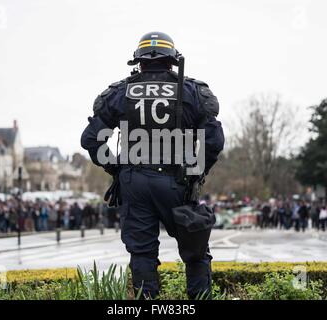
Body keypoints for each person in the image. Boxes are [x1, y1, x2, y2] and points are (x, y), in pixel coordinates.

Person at [81, 31, 224, 299]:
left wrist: (116, 168)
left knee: (142, 253)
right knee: (195, 251)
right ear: (172, 60)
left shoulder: (119, 92)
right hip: (177, 182)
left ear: (138, 61)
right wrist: (196, 173)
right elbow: (213, 142)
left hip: (134, 182)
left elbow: (91, 140)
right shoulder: (192, 92)